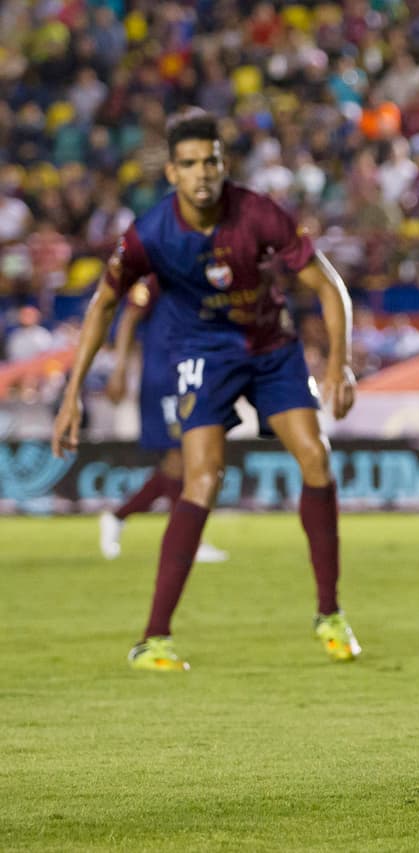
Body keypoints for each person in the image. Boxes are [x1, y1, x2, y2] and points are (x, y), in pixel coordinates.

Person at [51, 110, 361, 672]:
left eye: (211, 161)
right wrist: (73, 394)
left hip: (271, 347)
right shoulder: (150, 233)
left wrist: (340, 366)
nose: (202, 173)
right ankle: (154, 639)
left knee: (316, 457)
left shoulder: (260, 214)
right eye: (190, 163)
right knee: (202, 478)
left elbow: (329, 286)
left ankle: (329, 614)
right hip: (202, 354)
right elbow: (102, 305)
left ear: (224, 164)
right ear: (172, 171)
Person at [98, 276, 229, 564]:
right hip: (163, 378)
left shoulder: (202, 274)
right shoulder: (158, 275)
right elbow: (129, 316)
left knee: (187, 459)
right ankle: (188, 541)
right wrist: (120, 370)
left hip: (191, 376)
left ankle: (119, 517)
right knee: (179, 457)